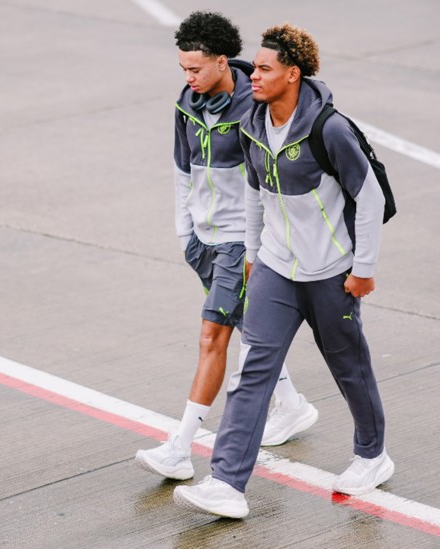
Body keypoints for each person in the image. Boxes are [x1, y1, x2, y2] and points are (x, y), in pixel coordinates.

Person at [173, 22, 392, 519]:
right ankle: (226, 483)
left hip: (330, 272)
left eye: (265, 68)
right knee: (254, 370)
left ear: (292, 74)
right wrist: (253, 254)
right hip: (275, 266)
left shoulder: (328, 129)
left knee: (348, 366)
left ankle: (372, 454)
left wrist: (364, 268)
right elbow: (254, 193)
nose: (255, 75)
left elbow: (370, 196)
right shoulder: (253, 123)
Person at [135, 12, 319, 482]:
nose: (189, 77)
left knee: (212, 336)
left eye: (196, 68)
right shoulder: (186, 103)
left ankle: (180, 448)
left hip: (240, 242)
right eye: (183, 69)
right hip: (204, 239)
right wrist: (185, 233)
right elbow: (182, 170)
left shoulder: (252, 108)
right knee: (245, 328)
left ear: (222, 62)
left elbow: (268, 179)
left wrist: (259, 247)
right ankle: (292, 405)